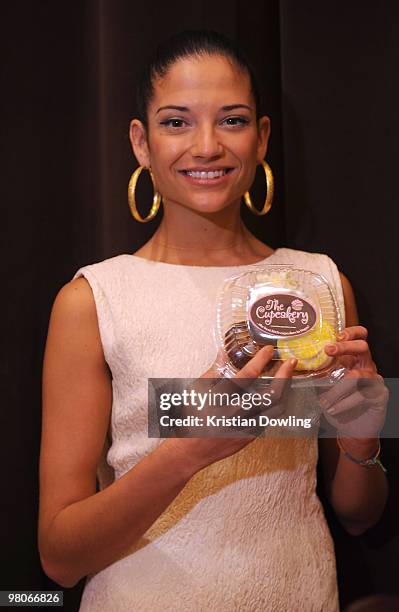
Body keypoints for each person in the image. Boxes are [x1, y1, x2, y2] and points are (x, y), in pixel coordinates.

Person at [38, 30, 388, 611]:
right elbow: (59, 556)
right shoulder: (91, 299)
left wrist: (362, 444)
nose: (206, 146)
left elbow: (360, 514)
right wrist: (189, 449)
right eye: (176, 122)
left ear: (262, 137)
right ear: (141, 143)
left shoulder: (321, 285)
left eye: (232, 120)